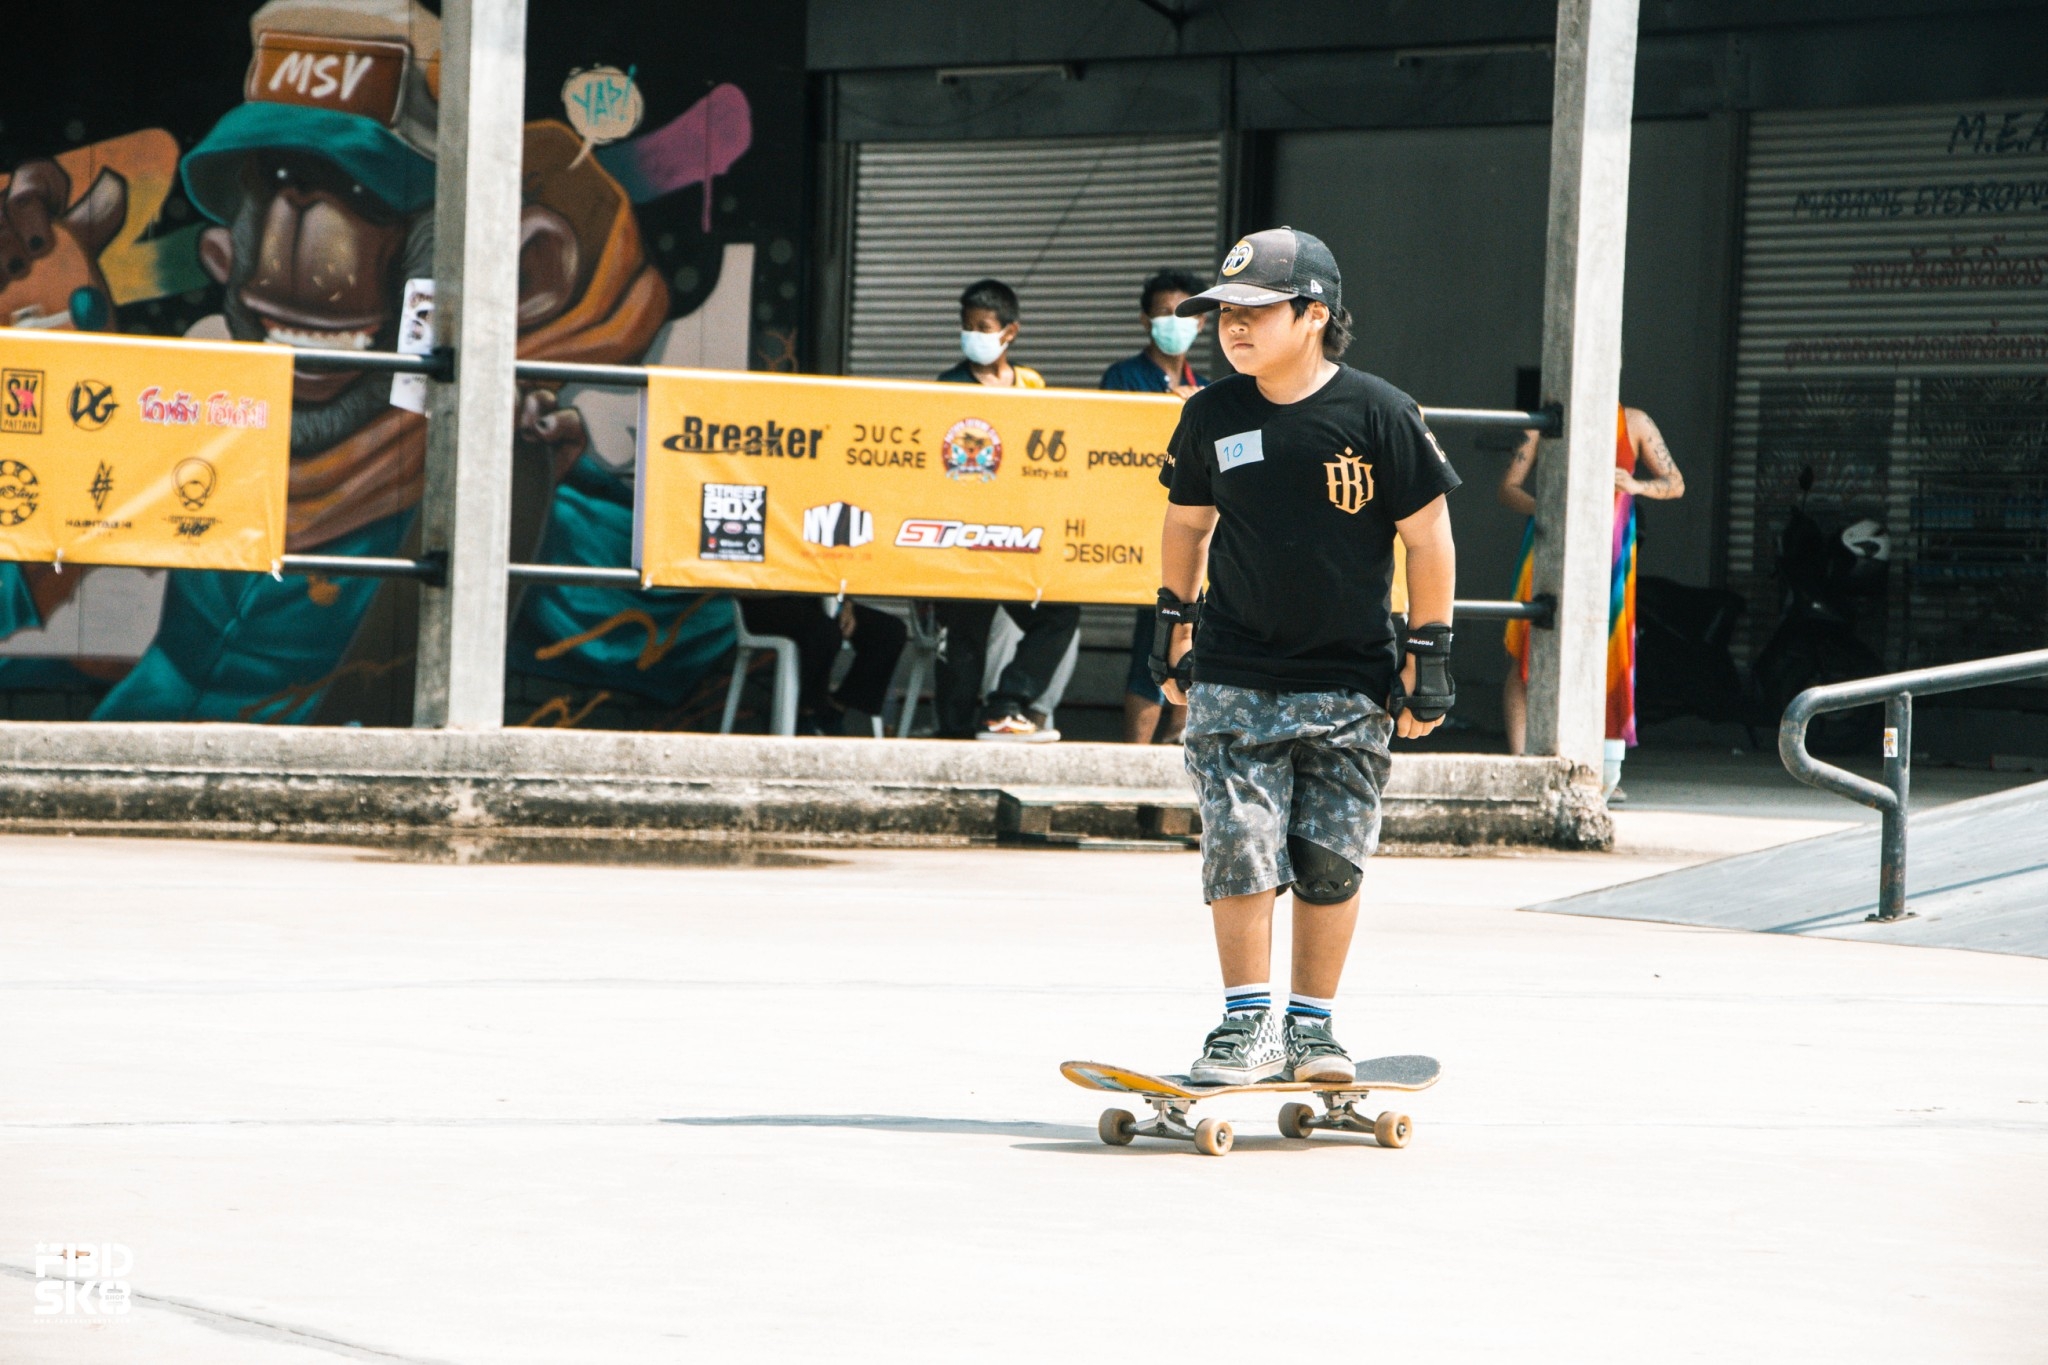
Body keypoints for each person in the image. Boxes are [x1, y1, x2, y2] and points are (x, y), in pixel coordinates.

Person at [1154, 227, 1460, 1085]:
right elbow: (1187, 523)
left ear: (1314, 314)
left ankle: (1312, 1029)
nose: (1232, 327)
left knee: (1330, 856)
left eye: (1255, 311)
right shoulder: (1211, 414)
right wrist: (1173, 625)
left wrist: (1430, 653)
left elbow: (1428, 538)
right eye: (1224, 313)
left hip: (1349, 677)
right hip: (1235, 671)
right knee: (1240, 843)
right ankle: (1245, 1024)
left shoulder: (1381, 414)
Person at [1498, 406, 1684, 799]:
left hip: (1610, 550)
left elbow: (1675, 483)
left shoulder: (1635, 422)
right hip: (1547, 545)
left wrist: (1635, 486)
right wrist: (1546, 507)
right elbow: (1508, 488)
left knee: (1606, 653)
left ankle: (1597, 771)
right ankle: (1521, 767)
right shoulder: (1544, 421)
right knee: (1528, 652)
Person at [932, 278, 1080, 742]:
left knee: (1058, 615)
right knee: (965, 640)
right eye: (966, 326)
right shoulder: (948, 386)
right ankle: (954, 735)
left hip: (1017, 536)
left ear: (1009, 332)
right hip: (962, 536)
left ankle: (1008, 703)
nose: (972, 335)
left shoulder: (1033, 383)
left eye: (982, 327)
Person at [1101, 267, 1211, 745]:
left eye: (1183, 313)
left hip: (1192, 528)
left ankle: (1178, 739)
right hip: (1138, 526)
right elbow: (1112, 439)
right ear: (1145, 320)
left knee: (1192, 632)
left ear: (1201, 323)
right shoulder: (1122, 377)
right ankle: (1137, 754)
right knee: (1154, 637)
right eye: (1164, 313)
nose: (1174, 322)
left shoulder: (1206, 386)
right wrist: (1170, 408)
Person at [735, 595, 909, 735]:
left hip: (818, 600)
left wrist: (845, 604)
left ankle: (835, 711)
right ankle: (805, 715)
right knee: (824, 633)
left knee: (890, 631)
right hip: (762, 600)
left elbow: (834, 572)